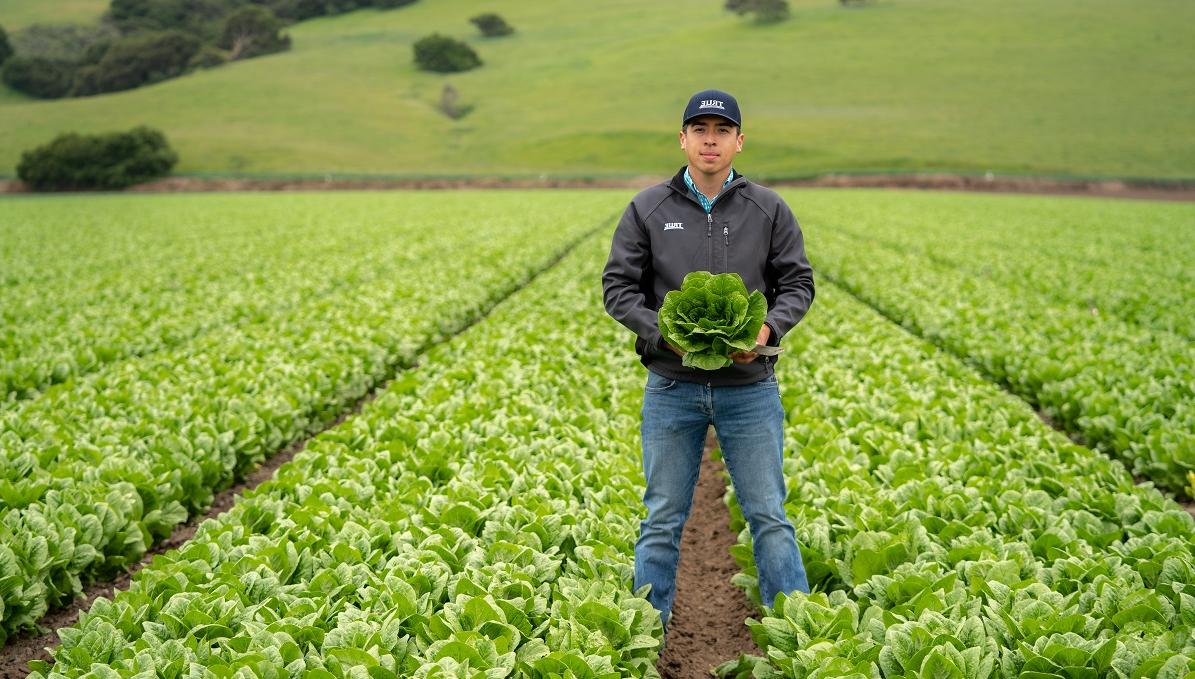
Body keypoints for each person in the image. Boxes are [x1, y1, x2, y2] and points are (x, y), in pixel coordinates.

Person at [601, 88, 814, 630]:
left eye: (721, 131)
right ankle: (647, 639)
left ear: (739, 142)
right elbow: (618, 289)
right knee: (662, 519)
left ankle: (800, 634)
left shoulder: (768, 209)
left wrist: (768, 326)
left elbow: (798, 283)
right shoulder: (647, 208)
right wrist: (665, 333)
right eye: (700, 131)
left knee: (769, 516)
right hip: (673, 387)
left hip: (749, 386)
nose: (710, 140)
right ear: (683, 139)